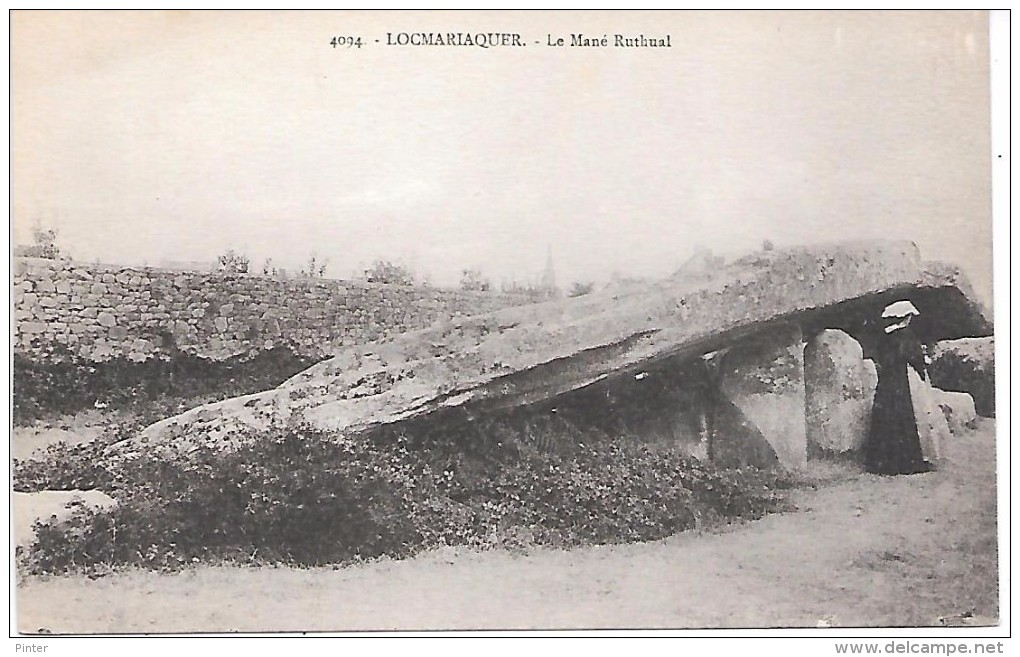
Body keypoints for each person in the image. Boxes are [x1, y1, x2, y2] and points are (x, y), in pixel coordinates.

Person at [862, 300, 933, 475]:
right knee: (905, 416)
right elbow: (913, 356)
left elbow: (881, 357)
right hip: (903, 379)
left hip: (887, 380)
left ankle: (882, 462)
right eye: (909, 316)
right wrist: (922, 367)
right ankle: (907, 462)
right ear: (906, 317)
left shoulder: (886, 335)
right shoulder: (907, 335)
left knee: (886, 416)